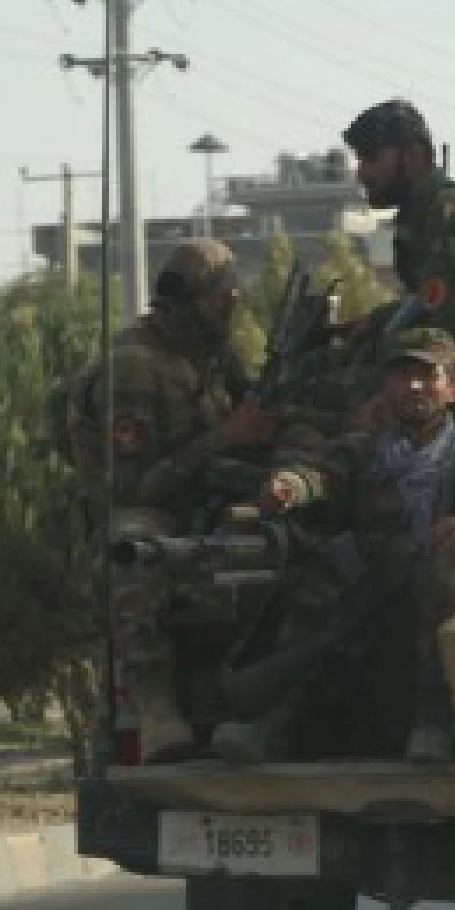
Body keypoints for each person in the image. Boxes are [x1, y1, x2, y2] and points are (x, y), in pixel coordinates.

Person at [225, 328, 455, 764]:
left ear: (452, 388)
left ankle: (434, 721)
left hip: (449, 587)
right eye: (402, 375)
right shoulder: (365, 450)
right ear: (385, 387)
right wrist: (292, 486)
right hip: (379, 581)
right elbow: (323, 475)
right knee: (320, 573)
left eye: (427, 376)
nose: (414, 386)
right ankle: (272, 722)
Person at [72, 239, 277, 764]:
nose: (232, 308)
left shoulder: (206, 357)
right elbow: (127, 488)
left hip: (214, 505)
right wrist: (223, 439)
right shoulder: (136, 367)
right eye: (224, 297)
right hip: (154, 513)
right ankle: (157, 710)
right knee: (133, 544)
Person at [338, 99, 455, 420]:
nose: (362, 173)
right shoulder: (425, 217)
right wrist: (376, 321)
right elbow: (429, 303)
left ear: (414, 156)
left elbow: (453, 336)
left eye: (371, 158)